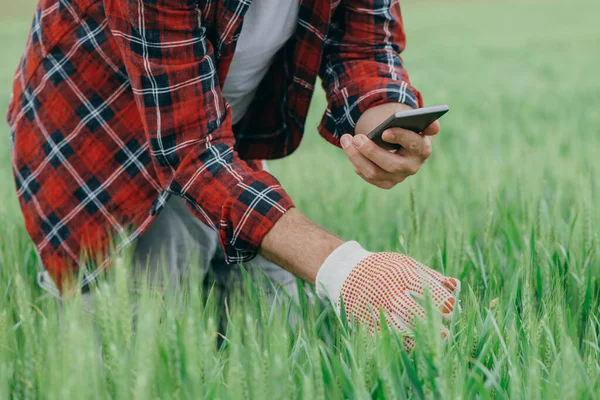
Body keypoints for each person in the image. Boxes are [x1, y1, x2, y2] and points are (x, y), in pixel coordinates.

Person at [6, 0, 460, 345]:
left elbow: (363, 43)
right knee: (138, 346)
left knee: (279, 330)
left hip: (219, 134)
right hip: (102, 153)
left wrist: (385, 123)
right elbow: (192, 149)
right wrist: (347, 269)